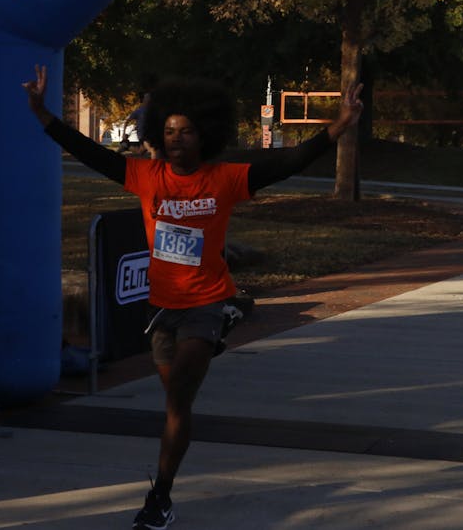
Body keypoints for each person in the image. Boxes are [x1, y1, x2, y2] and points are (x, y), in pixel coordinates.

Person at [22, 65, 363, 530]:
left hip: (207, 302)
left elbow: (288, 163)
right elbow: (87, 152)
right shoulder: (145, 176)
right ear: (157, 136)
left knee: (180, 390)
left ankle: (159, 497)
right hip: (162, 308)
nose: (176, 138)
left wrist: (338, 126)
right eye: (168, 131)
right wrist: (44, 115)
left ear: (204, 136)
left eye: (185, 131)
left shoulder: (223, 179)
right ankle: (165, 490)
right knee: (176, 406)